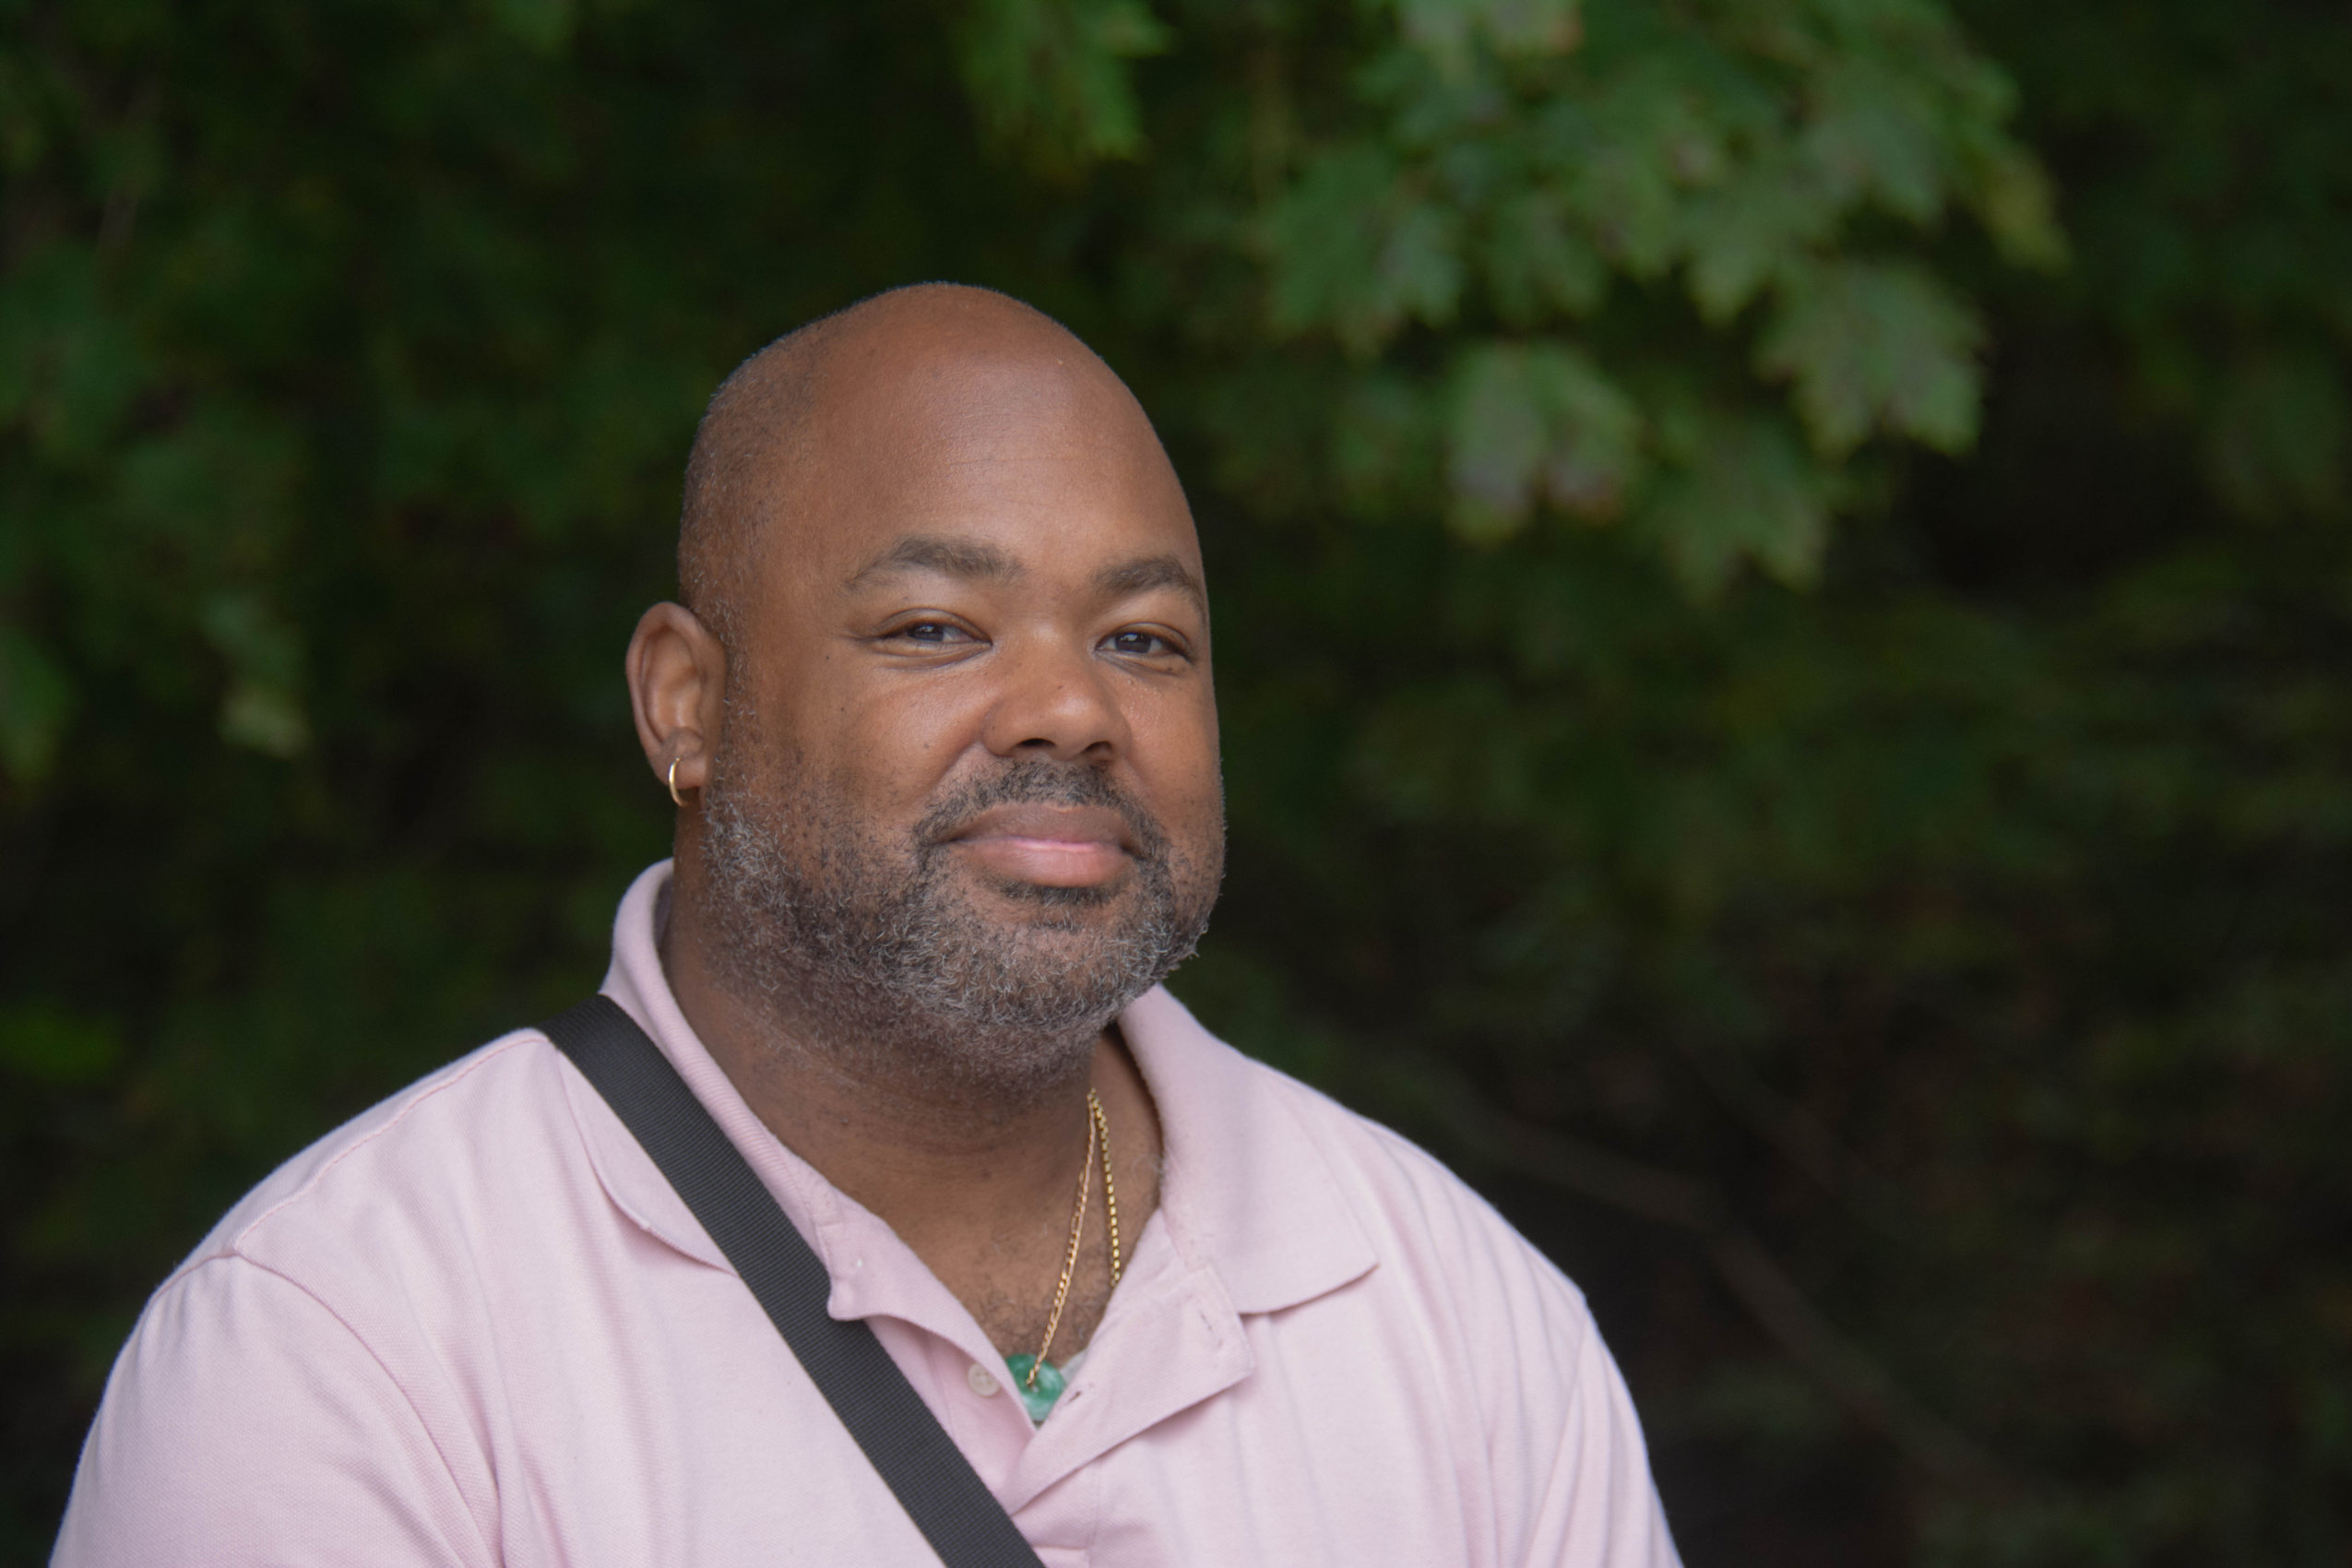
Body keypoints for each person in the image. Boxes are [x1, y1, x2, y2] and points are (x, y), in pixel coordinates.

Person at [53, 285, 1681, 1566]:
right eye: (932, 626)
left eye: (1144, 638)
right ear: (686, 705)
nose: (1069, 706)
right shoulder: (354, 1341)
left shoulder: (1447, 1311)